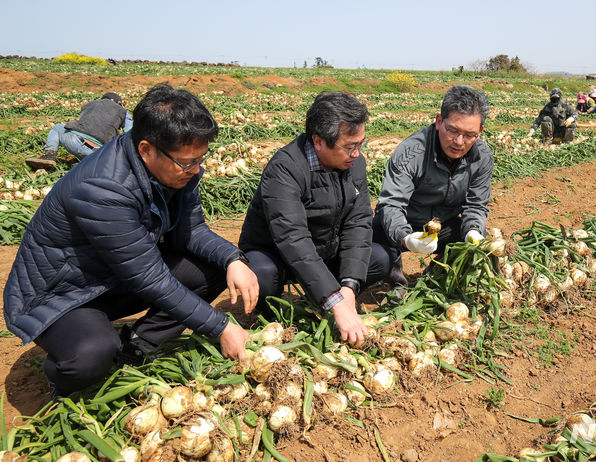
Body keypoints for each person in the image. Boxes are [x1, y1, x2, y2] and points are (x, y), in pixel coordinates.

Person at [4, 84, 259, 397]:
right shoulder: (103, 188)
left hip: (112, 276)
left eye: (199, 159)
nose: (195, 170)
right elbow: (149, 278)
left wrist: (233, 258)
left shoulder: (177, 171)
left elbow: (191, 231)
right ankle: (62, 381)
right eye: (186, 162)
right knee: (91, 355)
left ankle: (134, 346)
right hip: (64, 292)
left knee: (215, 267)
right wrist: (222, 326)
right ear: (147, 150)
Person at [238, 91, 390, 347]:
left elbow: (359, 223)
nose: (357, 153)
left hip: (324, 250)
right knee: (261, 274)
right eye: (350, 146)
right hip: (277, 255)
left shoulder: (355, 164)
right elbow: (292, 238)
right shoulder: (284, 169)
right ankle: (271, 318)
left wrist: (349, 288)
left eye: (361, 144)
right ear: (319, 142)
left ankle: (324, 293)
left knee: (379, 259)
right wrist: (335, 302)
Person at [373, 85, 494, 286]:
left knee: (478, 237)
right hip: (406, 222)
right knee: (374, 233)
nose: (458, 141)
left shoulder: (482, 157)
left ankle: (435, 274)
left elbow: (476, 206)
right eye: (452, 130)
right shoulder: (411, 152)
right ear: (439, 121)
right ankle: (394, 276)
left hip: (444, 224)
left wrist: (473, 229)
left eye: (469, 135)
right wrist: (406, 237)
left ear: (480, 131)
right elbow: (391, 204)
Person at [25, 92, 133, 170]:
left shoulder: (90, 104)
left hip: (74, 141)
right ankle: (89, 166)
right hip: (98, 153)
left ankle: (50, 155)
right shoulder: (123, 111)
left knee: (57, 128)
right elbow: (130, 133)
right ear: (119, 103)